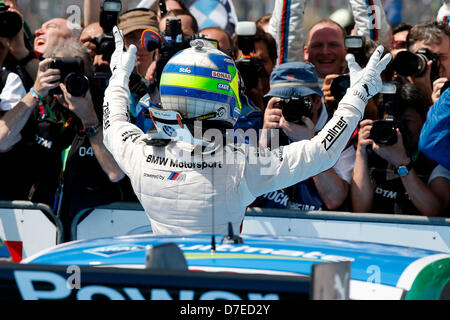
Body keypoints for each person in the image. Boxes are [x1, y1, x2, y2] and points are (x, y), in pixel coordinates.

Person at [102, 26, 391, 234]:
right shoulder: (240, 164)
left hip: (164, 278)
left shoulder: (138, 151)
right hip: (220, 281)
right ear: (226, 100)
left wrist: (119, 76)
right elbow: (322, 152)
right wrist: (358, 95)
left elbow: (112, 121)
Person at [0, 39, 126, 232]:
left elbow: (116, 172)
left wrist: (90, 119)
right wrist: (35, 92)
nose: (66, 82)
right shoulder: (39, 107)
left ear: (89, 75)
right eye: (59, 73)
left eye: (75, 73)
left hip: (94, 227)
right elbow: (2, 140)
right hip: (39, 226)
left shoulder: (108, 108)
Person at [255, 62, 354, 211]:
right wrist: (264, 142)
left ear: (317, 101)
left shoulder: (340, 132)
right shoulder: (260, 127)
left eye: (300, 100)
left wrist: (311, 145)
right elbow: (244, 194)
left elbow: (334, 199)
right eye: (283, 102)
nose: (291, 108)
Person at [350, 82, 445, 216]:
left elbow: (434, 211)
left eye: (406, 122)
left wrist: (402, 163)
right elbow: (360, 209)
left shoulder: (434, 158)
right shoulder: (373, 152)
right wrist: (361, 152)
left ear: (424, 122)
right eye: (391, 122)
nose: (398, 129)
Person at [406, 21, 450, 105]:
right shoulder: (396, 93)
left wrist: (441, 105)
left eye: (440, 56)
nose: (430, 63)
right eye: (424, 56)